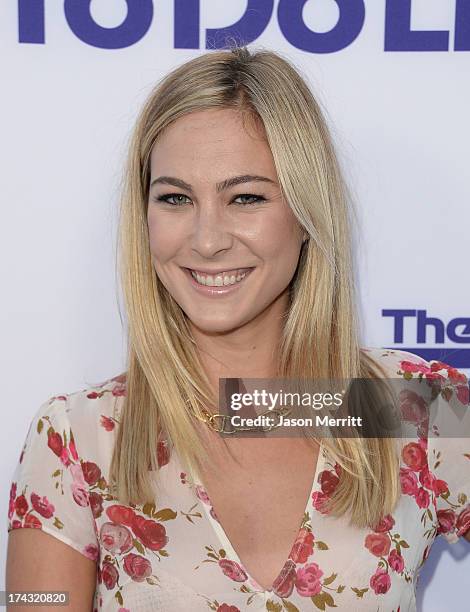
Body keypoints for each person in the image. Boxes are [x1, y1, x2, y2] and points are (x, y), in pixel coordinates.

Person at [5, 44, 470, 612]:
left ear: (305, 213)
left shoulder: (407, 405)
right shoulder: (82, 436)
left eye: (245, 197)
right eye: (175, 198)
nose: (206, 239)